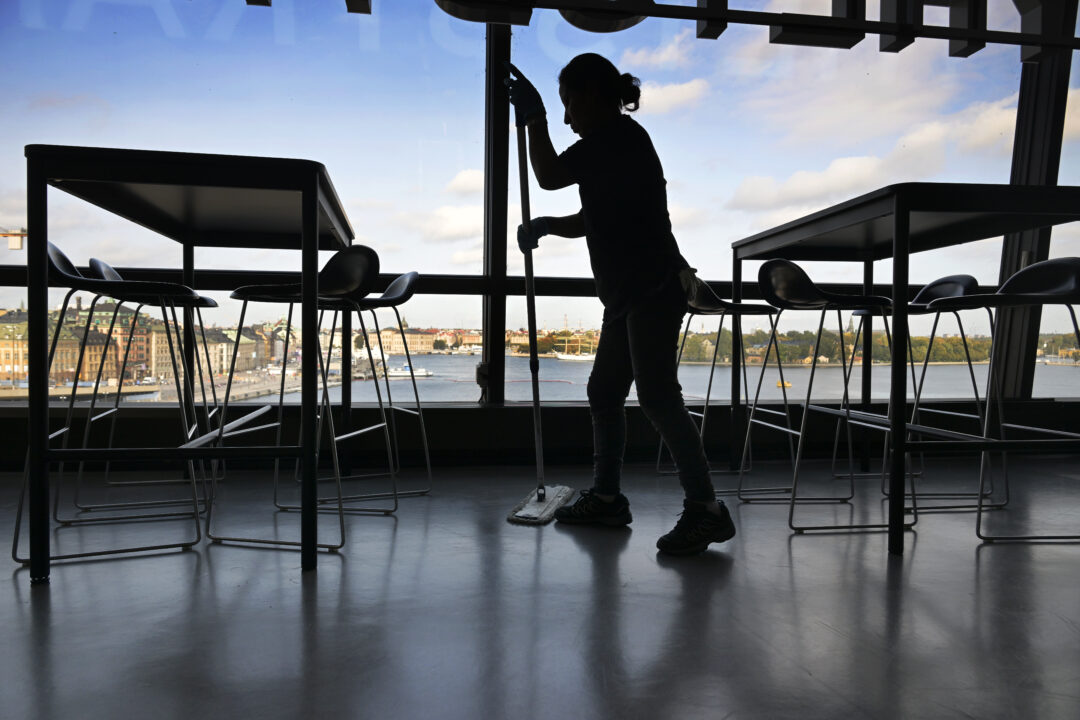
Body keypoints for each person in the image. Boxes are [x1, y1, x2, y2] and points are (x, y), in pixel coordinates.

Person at [506, 53, 735, 556]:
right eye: (559, 109)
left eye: (569, 103)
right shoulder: (616, 145)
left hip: (651, 288)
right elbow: (595, 215)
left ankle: (707, 511)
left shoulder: (616, 138)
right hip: (629, 293)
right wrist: (548, 225)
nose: (567, 117)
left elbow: (548, 174)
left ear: (594, 95)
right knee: (605, 391)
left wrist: (536, 119)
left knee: (657, 397)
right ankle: (607, 498)